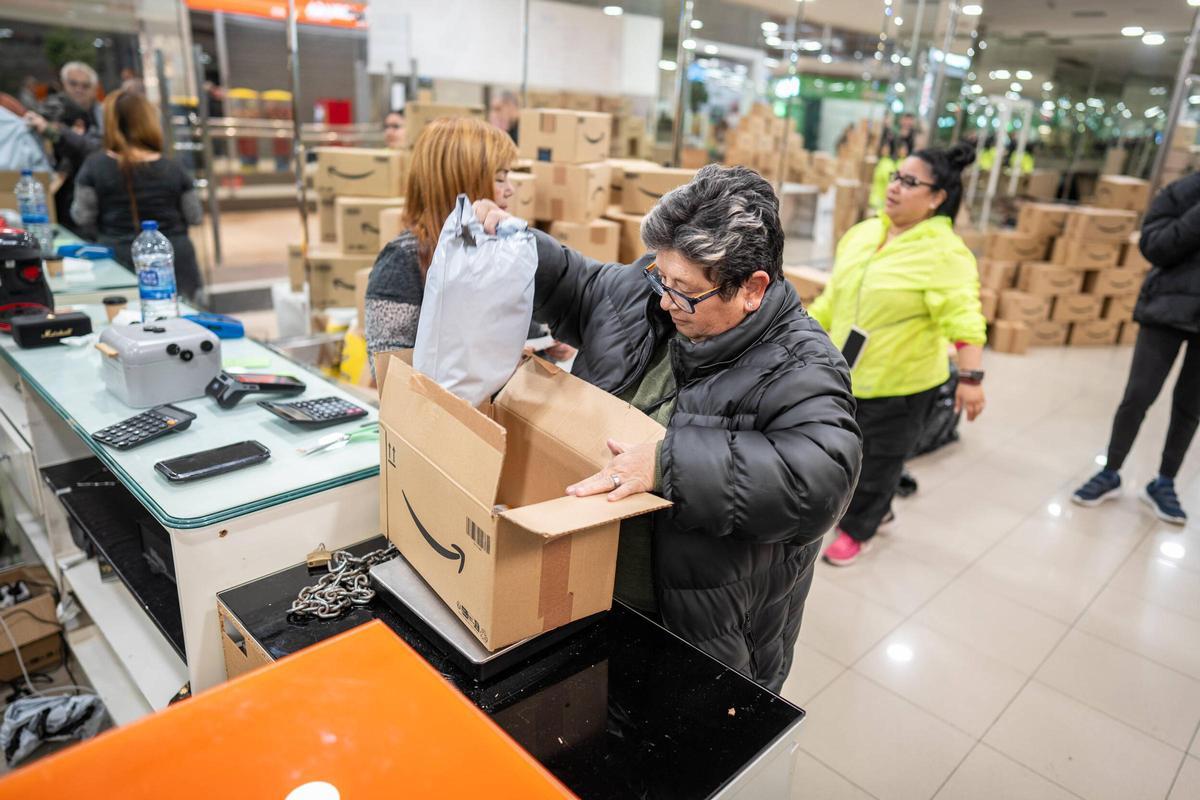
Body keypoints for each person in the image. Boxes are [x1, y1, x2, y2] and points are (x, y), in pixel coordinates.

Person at [471, 165, 862, 692]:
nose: (663, 299)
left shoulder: (802, 366)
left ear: (752, 287)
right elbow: (583, 285)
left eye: (683, 291)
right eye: (661, 276)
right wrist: (521, 246)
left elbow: (818, 481)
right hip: (583, 594)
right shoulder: (654, 290)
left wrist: (664, 463)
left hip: (692, 632)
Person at [809, 142, 987, 566]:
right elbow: (835, 297)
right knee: (839, 453)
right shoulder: (865, 233)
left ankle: (859, 529)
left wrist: (971, 379)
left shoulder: (945, 253)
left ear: (936, 197)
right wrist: (797, 330)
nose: (895, 188)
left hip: (901, 385)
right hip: (843, 372)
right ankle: (876, 507)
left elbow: (964, 317)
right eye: (895, 177)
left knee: (879, 463)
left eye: (910, 182)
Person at [1071, 172, 1200, 524]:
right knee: (1138, 396)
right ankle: (1110, 471)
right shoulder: (1182, 193)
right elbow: (1154, 246)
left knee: (1190, 408)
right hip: (1164, 312)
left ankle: (1165, 483)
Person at [70, 90, 204, 298]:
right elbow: (194, 216)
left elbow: (82, 215)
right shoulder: (173, 167)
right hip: (175, 263)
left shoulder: (94, 166)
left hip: (118, 262)